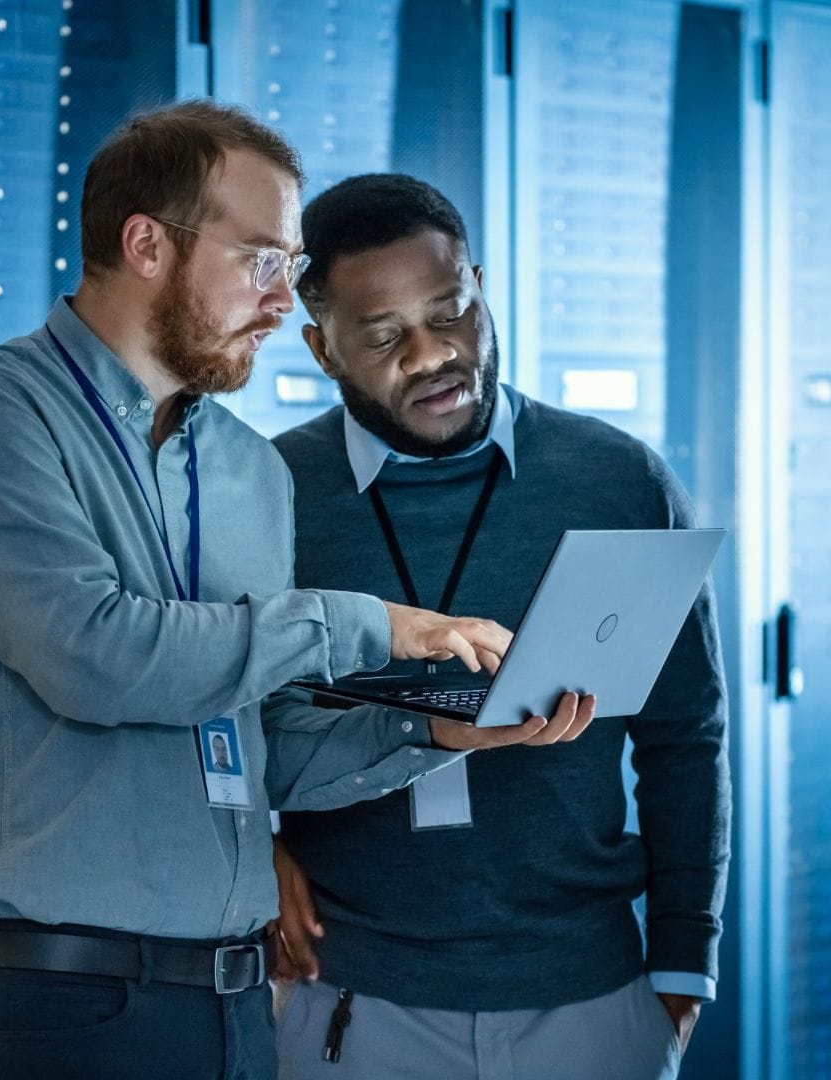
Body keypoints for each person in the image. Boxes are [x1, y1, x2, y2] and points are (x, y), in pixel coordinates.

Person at [0, 105, 594, 1080]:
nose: (283, 302)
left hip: (234, 1006)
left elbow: (259, 748)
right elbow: (96, 658)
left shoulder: (244, 469)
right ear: (146, 243)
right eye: (262, 260)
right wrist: (371, 624)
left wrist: (434, 734)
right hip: (56, 1003)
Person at [270, 173, 731, 1080]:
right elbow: (221, 721)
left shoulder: (617, 479)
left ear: (480, 285)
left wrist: (682, 968)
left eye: (452, 311)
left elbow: (687, 738)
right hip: (353, 1004)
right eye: (384, 336)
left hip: (591, 1002)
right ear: (323, 351)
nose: (435, 354)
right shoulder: (273, 498)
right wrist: (258, 849)